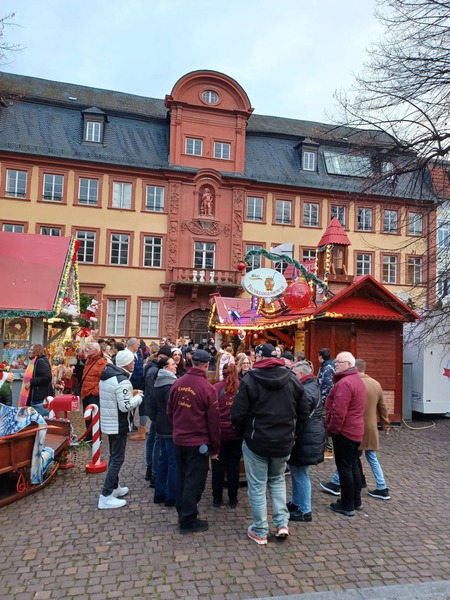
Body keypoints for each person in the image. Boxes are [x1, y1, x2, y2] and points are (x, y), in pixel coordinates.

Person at [231, 343, 309, 545]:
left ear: (259, 357)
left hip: (257, 441)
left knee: (257, 486)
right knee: (277, 480)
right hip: (283, 442)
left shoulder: (250, 379)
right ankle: (282, 524)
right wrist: (293, 433)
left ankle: (260, 530)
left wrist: (244, 433)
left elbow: (237, 413)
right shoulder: (292, 378)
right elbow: (303, 411)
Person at [320, 359, 391, 501]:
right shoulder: (376, 384)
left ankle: (338, 483)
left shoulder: (353, 384)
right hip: (370, 427)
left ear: (355, 368)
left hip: (354, 427)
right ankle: (381, 486)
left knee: (349, 458)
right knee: (367, 457)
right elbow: (382, 407)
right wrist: (386, 424)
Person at [167, 349, 221, 534]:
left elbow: (170, 411)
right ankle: (188, 519)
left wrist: (178, 428)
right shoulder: (207, 388)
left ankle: (182, 511)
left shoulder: (178, 383)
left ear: (191, 362)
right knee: (194, 481)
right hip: (198, 443)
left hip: (180, 439)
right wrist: (216, 446)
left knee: (181, 476)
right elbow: (214, 422)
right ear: (206, 365)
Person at [98, 349, 143, 509]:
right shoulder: (122, 380)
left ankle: (114, 486)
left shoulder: (107, 375)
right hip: (118, 423)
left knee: (114, 456)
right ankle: (105, 495)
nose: (134, 362)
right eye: (132, 360)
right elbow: (125, 406)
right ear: (126, 363)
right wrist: (138, 397)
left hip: (110, 421)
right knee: (117, 458)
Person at [325, 351, 366, 517]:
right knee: (353, 464)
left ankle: (347, 504)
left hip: (345, 432)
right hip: (355, 430)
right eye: (335, 362)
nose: (335, 364)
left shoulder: (345, 383)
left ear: (349, 364)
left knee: (345, 468)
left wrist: (332, 430)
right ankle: (356, 501)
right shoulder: (356, 380)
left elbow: (339, 411)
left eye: (338, 362)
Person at [287, 361, 326, 522]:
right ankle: (296, 502)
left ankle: (305, 510)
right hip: (309, 436)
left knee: (300, 473)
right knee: (296, 470)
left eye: (294, 374)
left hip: (305, 437)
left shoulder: (306, 391)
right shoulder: (310, 386)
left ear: (301, 374)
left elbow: (299, 415)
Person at [149, 356, 178, 507]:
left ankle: (159, 493)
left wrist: (157, 420)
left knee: (163, 460)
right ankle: (171, 497)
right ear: (165, 368)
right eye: (172, 364)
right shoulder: (170, 384)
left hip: (161, 425)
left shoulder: (158, 381)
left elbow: (151, 406)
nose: (175, 365)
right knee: (173, 462)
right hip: (170, 428)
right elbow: (172, 409)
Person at [212, 362, 242, 508]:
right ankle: (233, 498)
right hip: (236, 433)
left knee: (218, 466)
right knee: (233, 466)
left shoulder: (216, 388)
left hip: (219, 433)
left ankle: (217, 498)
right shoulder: (241, 388)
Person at [144, 345, 173, 485]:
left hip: (159, 416)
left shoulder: (156, 371)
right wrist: (154, 417)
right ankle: (153, 473)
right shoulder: (154, 373)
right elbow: (152, 397)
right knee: (157, 444)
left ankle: (153, 472)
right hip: (160, 416)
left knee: (155, 443)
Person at [81, 342, 108, 443]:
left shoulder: (102, 362)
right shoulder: (89, 360)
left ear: (96, 351)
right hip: (86, 392)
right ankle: (89, 437)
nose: (88, 350)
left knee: (95, 416)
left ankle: (97, 437)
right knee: (87, 415)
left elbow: (103, 379)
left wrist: (95, 391)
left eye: (90, 348)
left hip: (93, 393)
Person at [20, 344, 53, 416]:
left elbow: (47, 376)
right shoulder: (36, 361)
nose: (29, 351)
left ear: (37, 351)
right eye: (30, 349)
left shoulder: (40, 361)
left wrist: (31, 382)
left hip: (39, 398)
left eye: (32, 350)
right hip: (38, 396)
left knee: (38, 419)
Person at [317, 348, 335, 459]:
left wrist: (322, 400)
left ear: (321, 357)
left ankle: (329, 449)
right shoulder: (327, 366)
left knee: (325, 423)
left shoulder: (327, 368)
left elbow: (328, 386)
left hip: (326, 401)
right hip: (326, 400)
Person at [128, 338, 147, 440]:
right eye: (137, 344)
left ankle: (131, 424)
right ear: (132, 345)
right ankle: (128, 425)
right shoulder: (128, 354)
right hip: (131, 383)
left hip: (138, 384)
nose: (139, 346)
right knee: (130, 406)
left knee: (135, 405)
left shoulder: (137, 354)